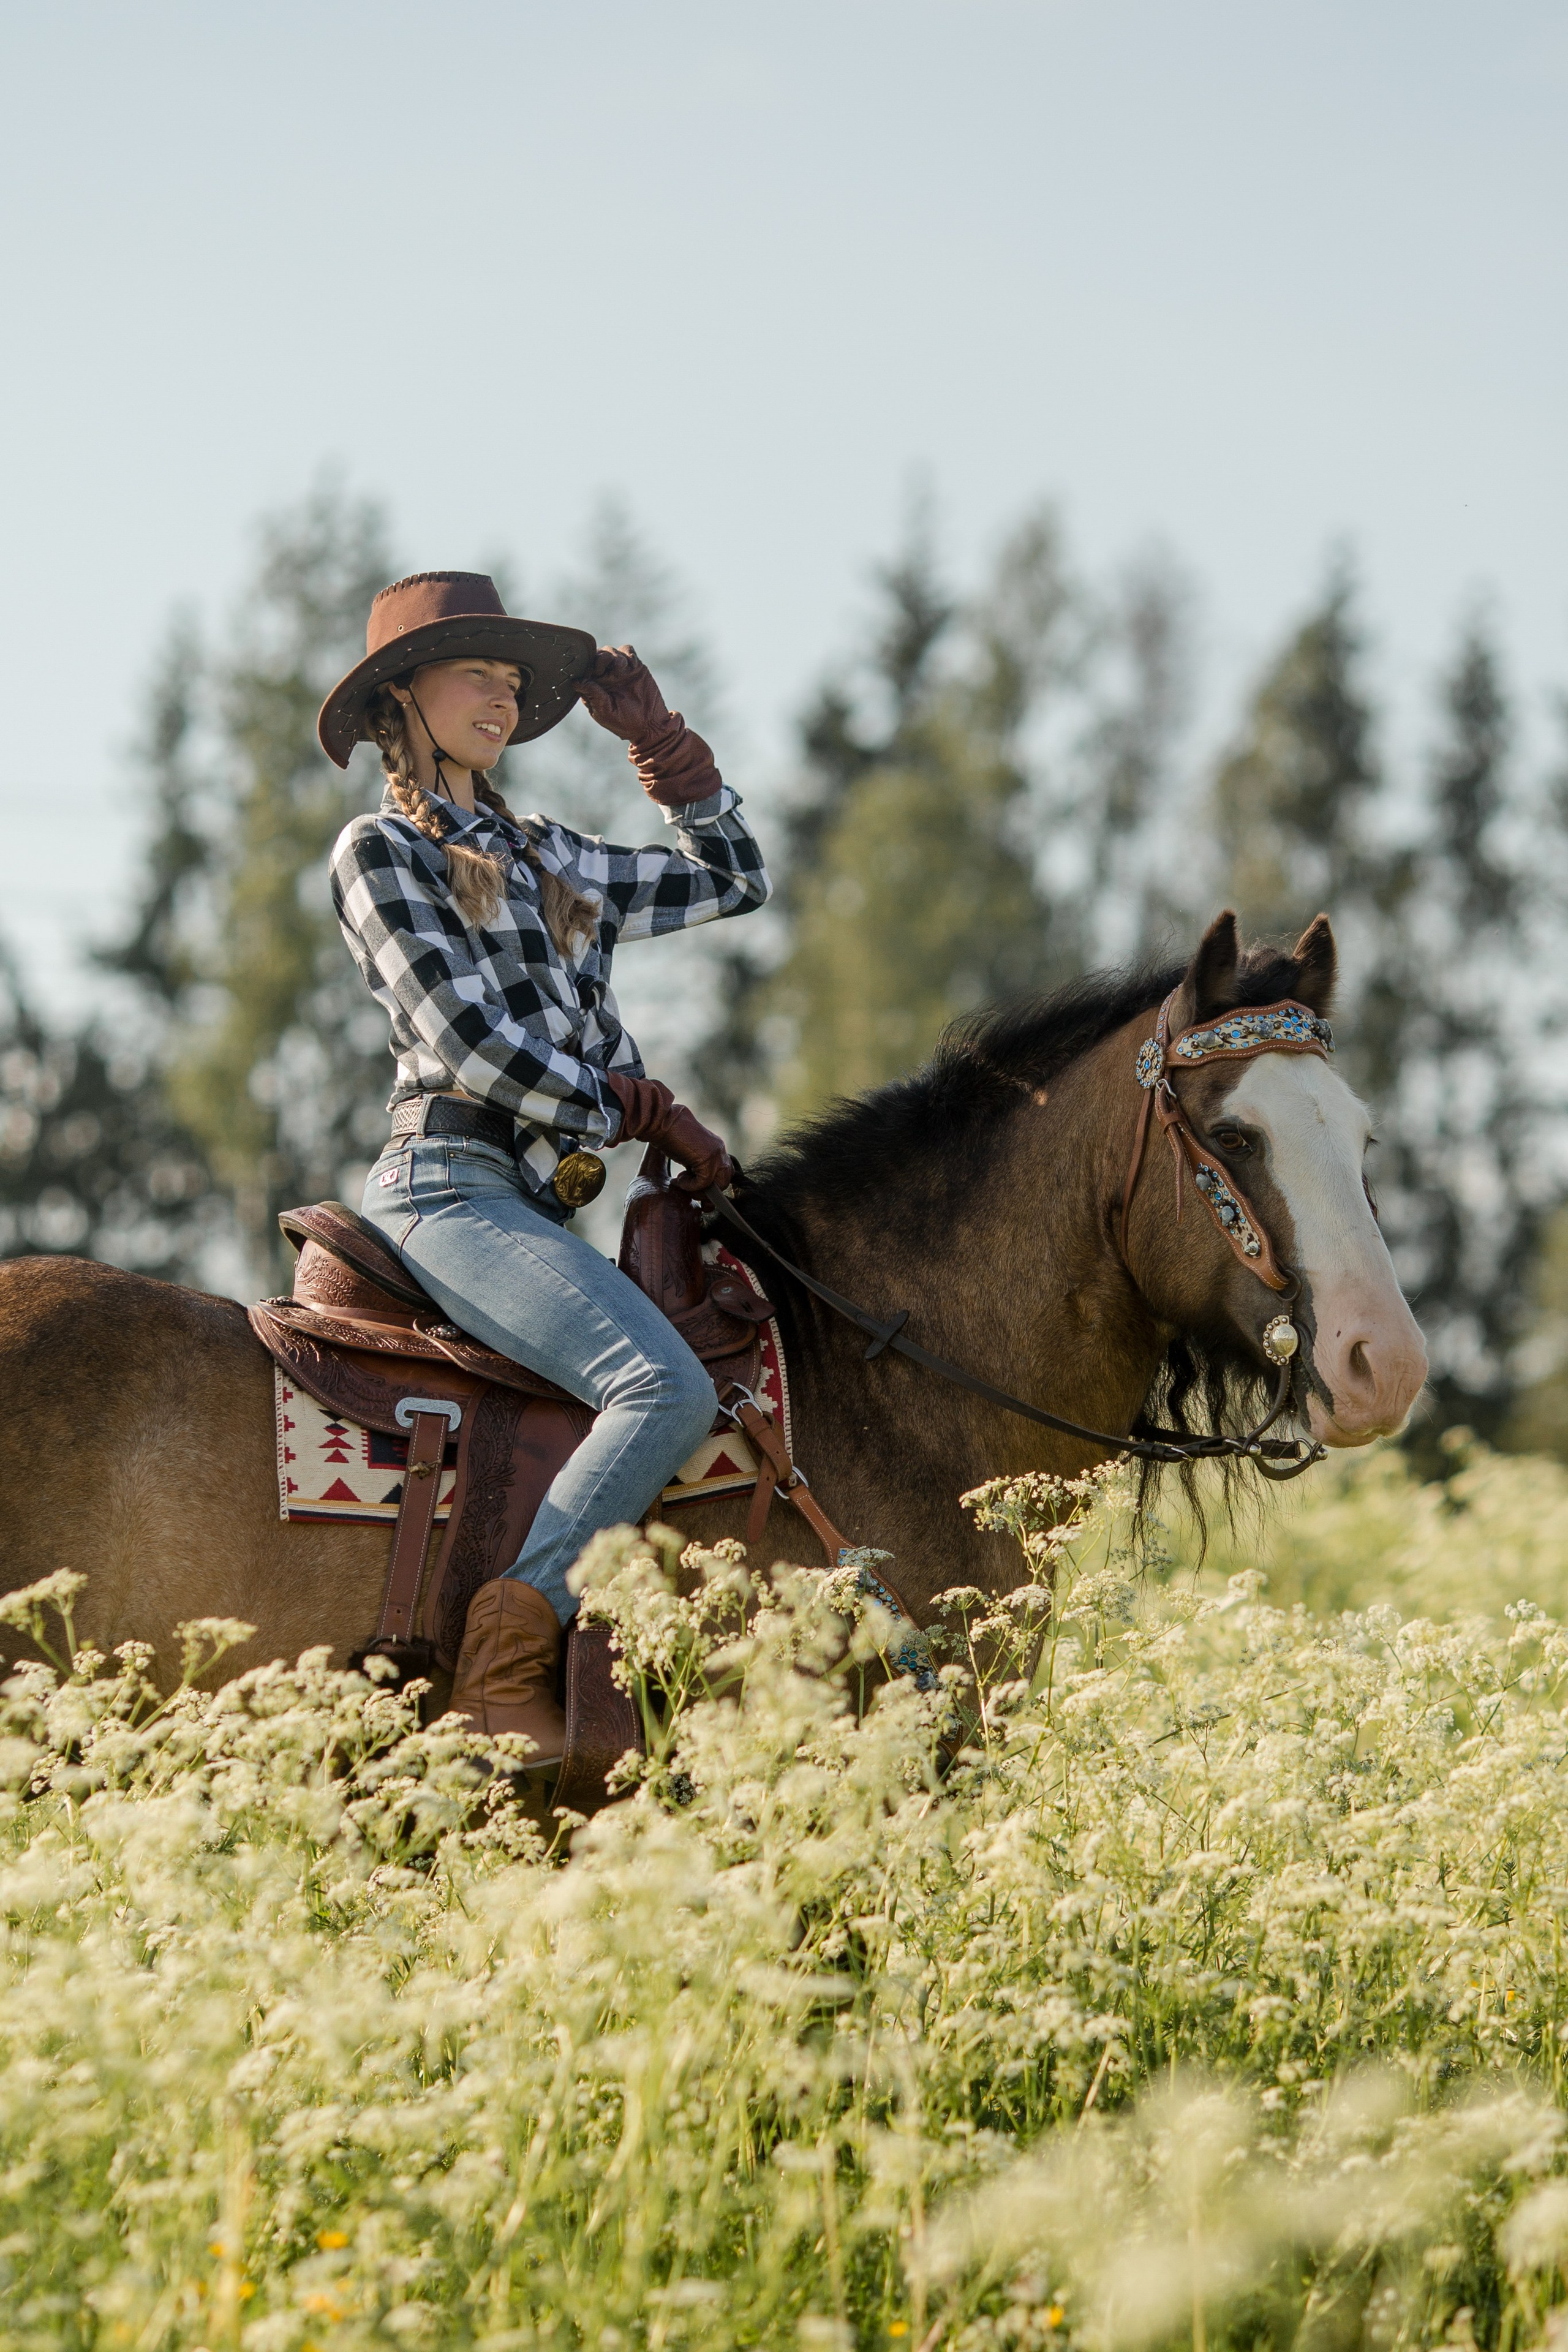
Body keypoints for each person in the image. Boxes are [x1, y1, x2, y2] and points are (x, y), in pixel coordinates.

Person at [319, 571, 769, 1762]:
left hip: (537, 1206)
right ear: (399, 698)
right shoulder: (376, 851)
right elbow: (465, 1044)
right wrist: (620, 1108)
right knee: (662, 1390)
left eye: (516, 681)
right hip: (446, 1187)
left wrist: (667, 751)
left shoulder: (552, 856)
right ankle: (502, 1659)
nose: (504, 696)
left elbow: (734, 880)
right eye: (478, 671)